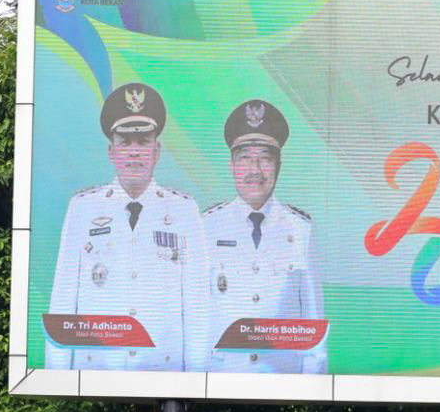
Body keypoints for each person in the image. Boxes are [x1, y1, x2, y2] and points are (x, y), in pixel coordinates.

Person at [44, 81, 209, 371]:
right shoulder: (83, 208)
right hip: (95, 369)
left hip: (164, 370)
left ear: (157, 151)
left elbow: (197, 306)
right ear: (111, 151)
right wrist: (59, 375)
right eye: (125, 142)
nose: (134, 152)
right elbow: (63, 297)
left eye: (143, 142)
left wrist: (197, 378)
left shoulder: (184, 210)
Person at [196, 98, 325, 373]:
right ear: (232, 165)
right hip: (220, 381)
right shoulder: (206, 227)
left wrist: (312, 391)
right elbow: (195, 319)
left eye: (265, 159)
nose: (255, 171)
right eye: (245, 159)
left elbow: (312, 322)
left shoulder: (300, 229)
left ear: (278, 165)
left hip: (282, 384)